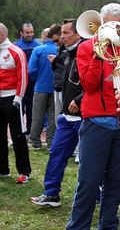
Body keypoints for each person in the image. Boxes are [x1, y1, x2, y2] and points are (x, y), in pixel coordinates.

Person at [65, 3, 120, 229]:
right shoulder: (86, 48)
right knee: (88, 182)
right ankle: (77, 226)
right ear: (101, 24)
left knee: (116, 183)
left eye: (118, 26)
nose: (113, 30)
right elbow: (89, 85)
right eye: (109, 25)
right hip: (96, 124)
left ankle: (108, 225)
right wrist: (97, 56)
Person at [30, 18, 84, 207]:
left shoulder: (88, 52)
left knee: (89, 161)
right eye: (61, 34)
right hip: (67, 116)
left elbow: (95, 83)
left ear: (78, 34)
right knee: (56, 153)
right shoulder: (66, 51)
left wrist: (79, 100)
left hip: (86, 118)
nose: (61, 37)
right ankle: (51, 193)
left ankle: (96, 196)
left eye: (65, 33)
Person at [0, 23, 31, 184]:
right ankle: (2, 169)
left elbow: (23, 76)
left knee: (18, 135)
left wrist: (18, 97)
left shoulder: (16, 51)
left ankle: (24, 171)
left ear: (2, 35)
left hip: (12, 97)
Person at [28, 27, 56, 150]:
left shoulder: (38, 50)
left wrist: (36, 80)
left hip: (40, 86)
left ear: (44, 37)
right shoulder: (59, 50)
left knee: (38, 115)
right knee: (53, 116)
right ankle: (51, 141)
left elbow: (32, 69)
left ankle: (35, 141)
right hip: (55, 87)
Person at [13, 23, 42, 136]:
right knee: (17, 109)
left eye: (31, 32)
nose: (30, 34)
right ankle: (19, 132)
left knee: (32, 109)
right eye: (27, 32)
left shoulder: (38, 46)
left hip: (33, 83)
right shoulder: (16, 46)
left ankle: (30, 132)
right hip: (19, 83)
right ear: (21, 33)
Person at [47, 23, 65, 125]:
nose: (56, 43)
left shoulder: (70, 48)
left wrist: (56, 60)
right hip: (58, 86)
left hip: (65, 88)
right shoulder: (60, 48)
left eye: (56, 40)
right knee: (58, 119)